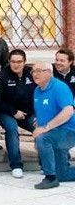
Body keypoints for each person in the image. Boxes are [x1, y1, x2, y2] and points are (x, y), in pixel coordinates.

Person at [0, 49, 35, 178]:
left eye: (19, 61)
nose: (16, 64)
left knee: (40, 127)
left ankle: (46, 162)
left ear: (25, 62)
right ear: (9, 62)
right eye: (13, 61)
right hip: (5, 111)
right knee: (12, 128)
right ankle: (16, 165)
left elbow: (37, 93)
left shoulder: (30, 74)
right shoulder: (2, 75)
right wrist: (14, 112)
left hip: (26, 112)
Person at [31, 61, 75, 189]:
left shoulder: (59, 87)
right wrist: (39, 123)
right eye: (33, 71)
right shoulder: (37, 90)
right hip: (55, 131)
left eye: (39, 70)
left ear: (49, 73)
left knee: (42, 138)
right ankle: (57, 175)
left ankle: (50, 177)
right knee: (63, 174)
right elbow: (44, 111)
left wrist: (45, 128)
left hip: (69, 131)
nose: (35, 74)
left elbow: (68, 111)